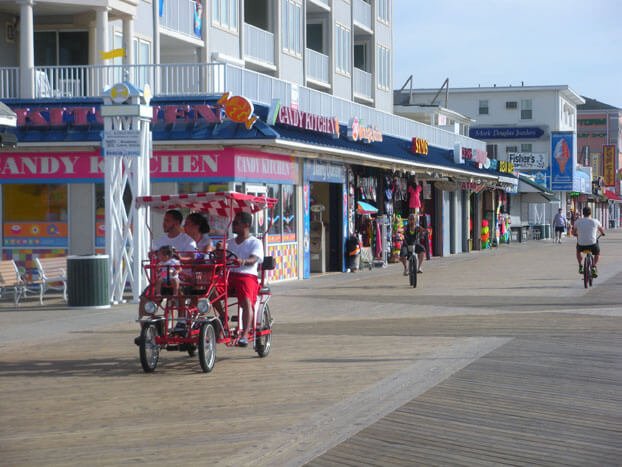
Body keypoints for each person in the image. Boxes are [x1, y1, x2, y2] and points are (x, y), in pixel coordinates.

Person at [136, 209, 196, 342]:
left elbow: (192, 258)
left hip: (181, 276)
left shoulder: (187, 240)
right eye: (164, 220)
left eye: (167, 220)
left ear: (176, 223)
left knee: (179, 289)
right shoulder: (159, 241)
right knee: (145, 298)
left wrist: (179, 258)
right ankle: (147, 330)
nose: (164, 223)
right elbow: (153, 257)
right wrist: (153, 256)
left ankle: (181, 321)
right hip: (162, 277)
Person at [216, 211, 263, 347]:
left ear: (246, 225)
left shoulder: (255, 242)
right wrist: (219, 251)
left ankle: (245, 334)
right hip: (229, 275)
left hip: (247, 275)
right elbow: (221, 259)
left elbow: (254, 259)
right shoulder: (229, 242)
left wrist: (243, 261)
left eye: (236, 223)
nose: (233, 226)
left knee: (247, 300)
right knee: (210, 289)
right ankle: (223, 316)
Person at [572, 206, 605, 277]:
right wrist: (602, 233)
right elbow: (602, 230)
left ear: (583, 213)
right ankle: (593, 266)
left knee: (578, 251)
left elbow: (573, 232)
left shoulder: (578, 221)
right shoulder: (595, 221)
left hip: (581, 244)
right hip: (592, 244)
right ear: (590, 213)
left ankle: (580, 265)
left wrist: (576, 234)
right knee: (597, 253)